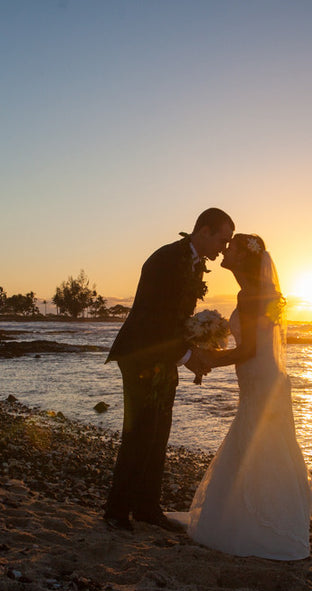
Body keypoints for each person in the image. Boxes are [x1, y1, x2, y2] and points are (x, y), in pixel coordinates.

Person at [169, 234, 312, 560]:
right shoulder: (266, 294)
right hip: (268, 378)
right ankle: (271, 521)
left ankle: (253, 526)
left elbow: (249, 349)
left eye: (231, 246)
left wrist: (207, 359)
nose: (225, 248)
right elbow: (260, 343)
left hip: (260, 379)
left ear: (244, 258)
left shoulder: (250, 296)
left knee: (256, 444)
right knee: (268, 444)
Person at [103, 208, 235, 532]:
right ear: (204, 231)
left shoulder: (194, 264)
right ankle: (116, 510)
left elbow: (177, 320)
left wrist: (195, 343)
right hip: (140, 354)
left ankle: (147, 507)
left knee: (159, 430)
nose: (224, 248)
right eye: (223, 238)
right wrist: (189, 354)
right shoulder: (167, 259)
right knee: (138, 433)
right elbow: (154, 319)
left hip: (164, 356)